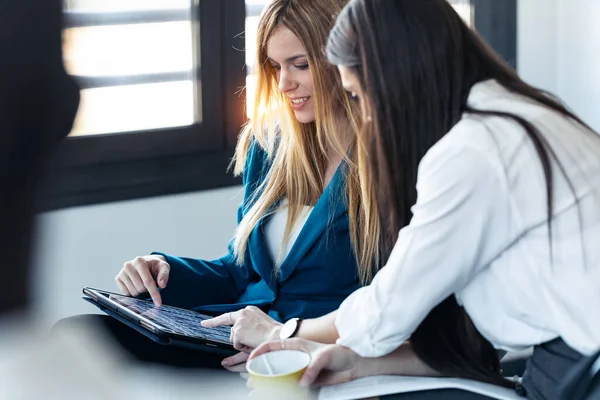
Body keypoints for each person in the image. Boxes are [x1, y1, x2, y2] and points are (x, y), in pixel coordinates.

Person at [250, 0, 600, 398]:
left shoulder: (472, 152)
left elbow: (387, 310)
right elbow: (466, 340)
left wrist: (285, 331)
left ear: (395, 81)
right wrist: (357, 361)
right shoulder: (513, 113)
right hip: (567, 361)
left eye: (358, 97)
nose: (365, 118)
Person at [56, 0, 382, 370]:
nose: (283, 83)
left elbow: (390, 301)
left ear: (345, 61)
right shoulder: (269, 145)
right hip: (230, 335)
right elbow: (239, 271)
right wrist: (165, 271)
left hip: (304, 348)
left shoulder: (388, 165)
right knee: (76, 336)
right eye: (274, 67)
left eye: (300, 65)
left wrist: (287, 335)